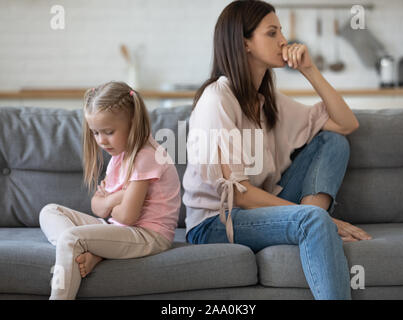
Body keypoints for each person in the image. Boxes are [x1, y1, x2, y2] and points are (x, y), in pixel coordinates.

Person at [183, 0, 372, 300]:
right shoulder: (217, 99)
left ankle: (312, 228)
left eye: (281, 31)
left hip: (256, 207)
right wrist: (314, 217)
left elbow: (346, 124)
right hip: (216, 221)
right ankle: (313, 226)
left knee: (333, 142)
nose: (284, 41)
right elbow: (237, 194)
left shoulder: (267, 100)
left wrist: (309, 70)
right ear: (244, 43)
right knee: (313, 219)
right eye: (272, 33)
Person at [39, 81, 181, 300]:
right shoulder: (118, 157)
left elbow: (127, 215)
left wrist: (108, 203)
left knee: (71, 238)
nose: (101, 140)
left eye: (108, 132)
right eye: (95, 133)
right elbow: (97, 206)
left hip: (148, 235)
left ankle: (81, 254)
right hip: (119, 229)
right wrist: (118, 197)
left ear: (132, 123)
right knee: (49, 211)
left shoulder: (146, 156)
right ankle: (91, 252)